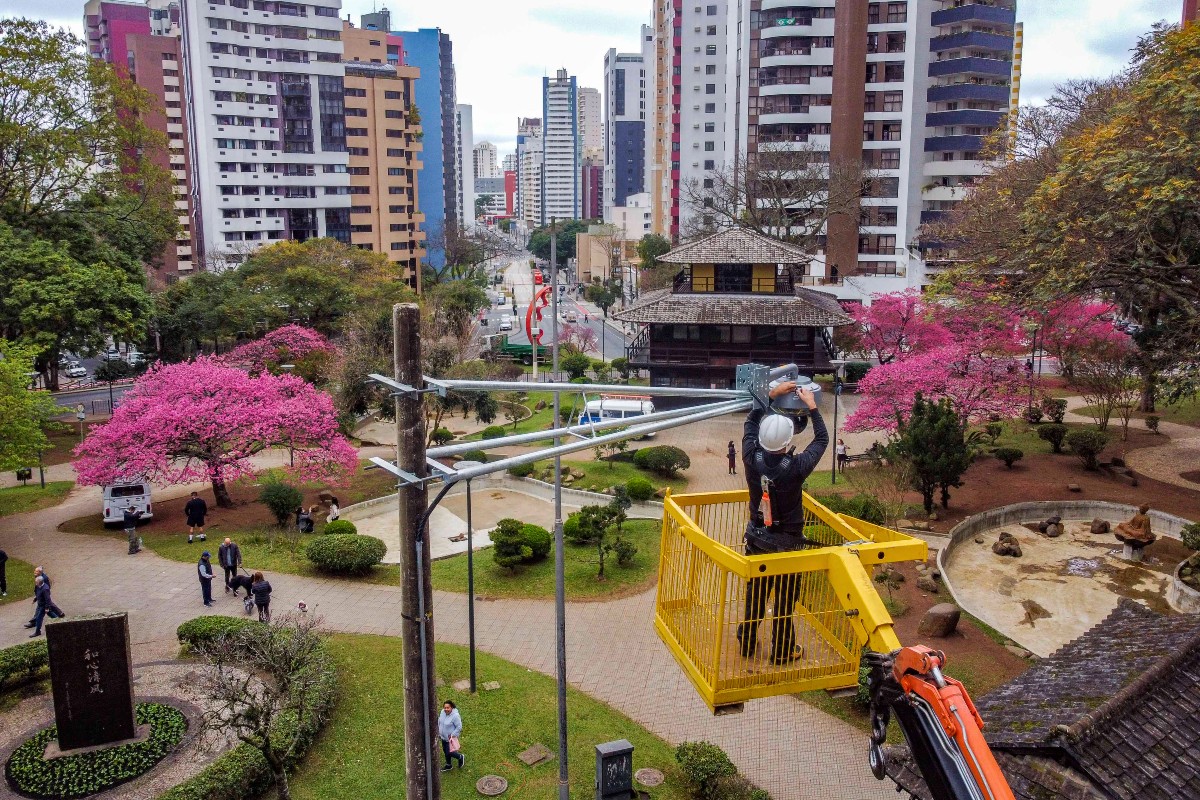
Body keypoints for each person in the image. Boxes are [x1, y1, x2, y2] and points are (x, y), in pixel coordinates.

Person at [736, 380, 828, 666]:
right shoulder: (797, 467)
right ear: (788, 442)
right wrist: (812, 407)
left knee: (756, 595)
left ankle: (748, 642)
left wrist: (769, 396)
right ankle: (782, 649)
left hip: (757, 539)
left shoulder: (751, 457)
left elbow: (751, 421)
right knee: (785, 600)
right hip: (788, 545)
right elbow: (822, 440)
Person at [438, 700, 465, 771]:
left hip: (449, 738)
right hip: (443, 737)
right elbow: (440, 721)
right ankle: (448, 765)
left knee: (449, 752)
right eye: (445, 708)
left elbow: (459, 727)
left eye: (448, 708)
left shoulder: (455, 716)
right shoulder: (442, 712)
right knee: (445, 751)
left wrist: (452, 735)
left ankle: (460, 757)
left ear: (452, 707)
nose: (446, 709)